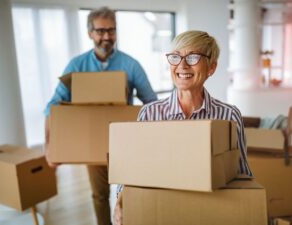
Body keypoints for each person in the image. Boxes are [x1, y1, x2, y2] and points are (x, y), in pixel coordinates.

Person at [113, 30, 253, 225]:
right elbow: (133, 171)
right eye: (175, 57)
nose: (182, 65)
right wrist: (121, 201)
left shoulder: (229, 116)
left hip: (210, 213)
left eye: (193, 57)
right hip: (160, 212)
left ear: (211, 67)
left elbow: (242, 173)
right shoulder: (150, 114)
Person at [44, 6, 157, 225]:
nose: (106, 36)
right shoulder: (77, 65)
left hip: (125, 142)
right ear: (90, 33)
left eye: (111, 31)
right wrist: (49, 146)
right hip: (93, 141)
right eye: (100, 31)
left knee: (132, 194)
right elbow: (53, 106)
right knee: (99, 195)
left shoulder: (130, 65)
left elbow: (151, 103)